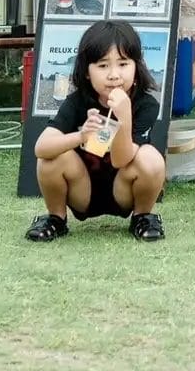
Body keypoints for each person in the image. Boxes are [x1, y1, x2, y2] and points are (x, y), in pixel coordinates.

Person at [25, 19, 166, 242]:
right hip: (83, 190)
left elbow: (121, 160)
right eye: (102, 66)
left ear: (136, 67)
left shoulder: (145, 105)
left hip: (123, 189)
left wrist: (124, 117)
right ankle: (56, 219)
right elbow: (41, 148)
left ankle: (142, 217)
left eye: (123, 64)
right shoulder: (77, 102)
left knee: (150, 157)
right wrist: (81, 136)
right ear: (87, 72)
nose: (114, 74)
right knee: (51, 158)